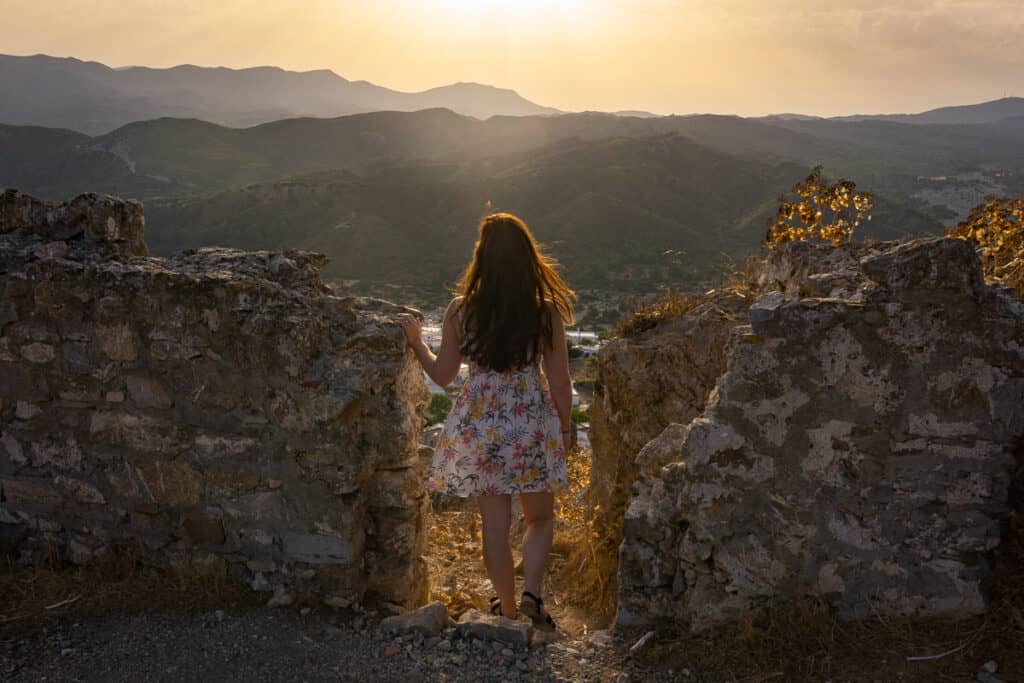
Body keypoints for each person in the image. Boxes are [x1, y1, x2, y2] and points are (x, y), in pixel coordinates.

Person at [395, 211, 575, 631]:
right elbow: (561, 383)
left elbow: (442, 375)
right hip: (530, 424)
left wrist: (419, 342)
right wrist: (566, 429)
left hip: (482, 429)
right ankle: (531, 593)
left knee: (494, 529)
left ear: (482, 259)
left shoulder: (461, 312)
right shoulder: (546, 313)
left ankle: (508, 614)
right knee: (540, 519)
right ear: (527, 259)